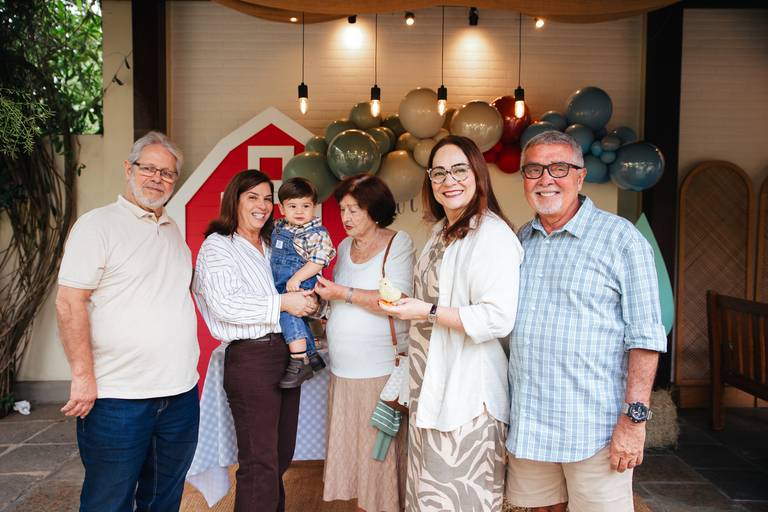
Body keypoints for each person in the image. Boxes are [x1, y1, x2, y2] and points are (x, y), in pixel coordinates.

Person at [505, 130, 667, 512]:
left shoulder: (621, 239)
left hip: (594, 429)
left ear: (580, 177)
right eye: (534, 169)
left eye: (559, 168)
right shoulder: (520, 241)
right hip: (530, 422)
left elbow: (646, 337)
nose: (546, 179)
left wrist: (634, 422)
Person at [55, 131, 200, 511]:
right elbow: (69, 303)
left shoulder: (173, 231)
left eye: (167, 173)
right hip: (117, 397)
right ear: (128, 168)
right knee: (108, 501)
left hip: (180, 394)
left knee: (163, 500)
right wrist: (82, 376)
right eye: (148, 168)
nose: (157, 178)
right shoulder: (97, 226)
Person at [380, 135, 522, 512]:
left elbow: (498, 317)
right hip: (428, 386)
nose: (449, 181)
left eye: (459, 170)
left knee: (457, 500)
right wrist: (407, 304)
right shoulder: (440, 231)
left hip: (467, 396)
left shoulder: (491, 235)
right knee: (426, 498)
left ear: (478, 174)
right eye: (439, 173)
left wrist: (424, 311)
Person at [192, 170, 317, 512]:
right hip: (251, 358)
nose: (262, 205)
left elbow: (294, 289)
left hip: (287, 354)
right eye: (252, 197)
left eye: (266, 198)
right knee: (259, 461)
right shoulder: (218, 246)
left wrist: (309, 303)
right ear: (234, 200)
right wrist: (284, 303)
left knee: (279, 456)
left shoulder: (274, 244)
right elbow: (226, 304)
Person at [314, 175, 415, 512]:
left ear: (375, 210)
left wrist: (341, 293)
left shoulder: (398, 242)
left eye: (354, 209)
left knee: (379, 456)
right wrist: (322, 304)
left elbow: (397, 301)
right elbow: (341, 300)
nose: (345, 217)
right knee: (358, 459)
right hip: (343, 370)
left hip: (380, 371)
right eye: (342, 209)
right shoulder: (344, 247)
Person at [272, 177, 336, 388]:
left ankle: (299, 360)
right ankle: (312, 355)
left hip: (301, 283)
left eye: (305, 206)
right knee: (294, 317)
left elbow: (318, 261)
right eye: (292, 206)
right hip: (282, 283)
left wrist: (297, 278)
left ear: (314, 207)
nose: (299, 211)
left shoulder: (315, 233)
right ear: (281, 208)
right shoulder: (279, 227)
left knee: (288, 313)